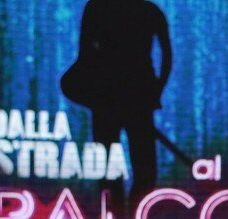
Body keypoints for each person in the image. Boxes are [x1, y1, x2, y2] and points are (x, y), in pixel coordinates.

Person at [63, 0, 172, 203]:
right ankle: (131, 214)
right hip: (135, 94)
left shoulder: (97, 7)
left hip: (108, 95)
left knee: (111, 166)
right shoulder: (148, 10)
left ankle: (120, 214)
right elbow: (167, 55)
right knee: (140, 167)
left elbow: (85, 54)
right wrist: (157, 89)